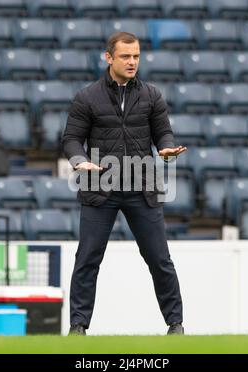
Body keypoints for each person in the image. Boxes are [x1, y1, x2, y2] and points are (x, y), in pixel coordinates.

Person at [62, 32, 187, 336]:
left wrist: (167, 149)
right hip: (99, 187)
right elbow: (72, 139)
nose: (132, 62)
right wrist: (79, 161)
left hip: (142, 187)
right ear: (109, 58)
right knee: (88, 258)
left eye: (136, 56)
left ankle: (176, 325)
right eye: (125, 57)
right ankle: (78, 326)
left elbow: (163, 134)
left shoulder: (152, 95)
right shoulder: (87, 96)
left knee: (159, 258)